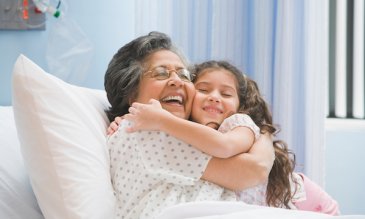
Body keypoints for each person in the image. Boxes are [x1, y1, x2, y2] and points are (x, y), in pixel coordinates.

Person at [118, 60, 340, 215]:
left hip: (301, 199)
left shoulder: (239, 124)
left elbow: (223, 147)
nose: (214, 98)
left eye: (225, 94)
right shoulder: (185, 133)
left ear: (239, 105)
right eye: (204, 90)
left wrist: (162, 120)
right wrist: (123, 120)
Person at [104, 32, 275, 219]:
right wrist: (264, 133)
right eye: (161, 73)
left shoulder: (183, 132)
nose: (177, 81)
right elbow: (251, 171)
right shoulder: (142, 132)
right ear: (131, 92)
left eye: (184, 75)